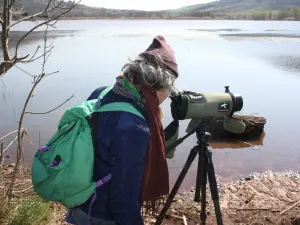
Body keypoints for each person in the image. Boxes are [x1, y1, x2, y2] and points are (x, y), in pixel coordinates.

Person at [66, 35, 179, 225]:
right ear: (156, 86)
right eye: (169, 89)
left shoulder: (101, 93)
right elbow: (123, 200)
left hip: (80, 201)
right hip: (101, 214)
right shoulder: (135, 128)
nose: (168, 96)